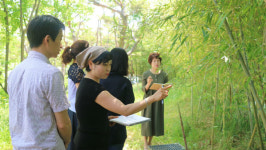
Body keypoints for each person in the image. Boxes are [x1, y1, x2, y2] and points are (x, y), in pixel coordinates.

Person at [74, 46, 171, 150]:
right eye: (104, 64)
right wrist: (152, 98)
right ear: (90, 64)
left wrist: (103, 120)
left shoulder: (86, 83)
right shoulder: (93, 88)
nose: (108, 68)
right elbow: (125, 110)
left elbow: (88, 114)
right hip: (91, 144)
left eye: (110, 64)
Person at [7, 15, 71, 149]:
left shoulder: (14, 72)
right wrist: (67, 140)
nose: (61, 45)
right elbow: (63, 124)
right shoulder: (51, 74)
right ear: (47, 39)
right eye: (59, 39)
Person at [100, 48, 135, 150]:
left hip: (99, 128)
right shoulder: (125, 82)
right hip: (118, 130)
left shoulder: (99, 80)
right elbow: (129, 105)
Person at [61, 40, 89, 150]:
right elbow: (83, 92)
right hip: (76, 113)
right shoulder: (76, 69)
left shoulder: (77, 68)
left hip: (75, 111)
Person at [141, 52, 168, 149]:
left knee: (154, 119)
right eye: (154, 61)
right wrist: (148, 83)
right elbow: (144, 89)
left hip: (158, 101)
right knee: (146, 120)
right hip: (148, 100)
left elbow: (165, 87)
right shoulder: (146, 74)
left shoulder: (164, 75)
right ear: (150, 62)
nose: (156, 63)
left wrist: (165, 92)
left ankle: (150, 142)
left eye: (158, 61)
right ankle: (145, 143)